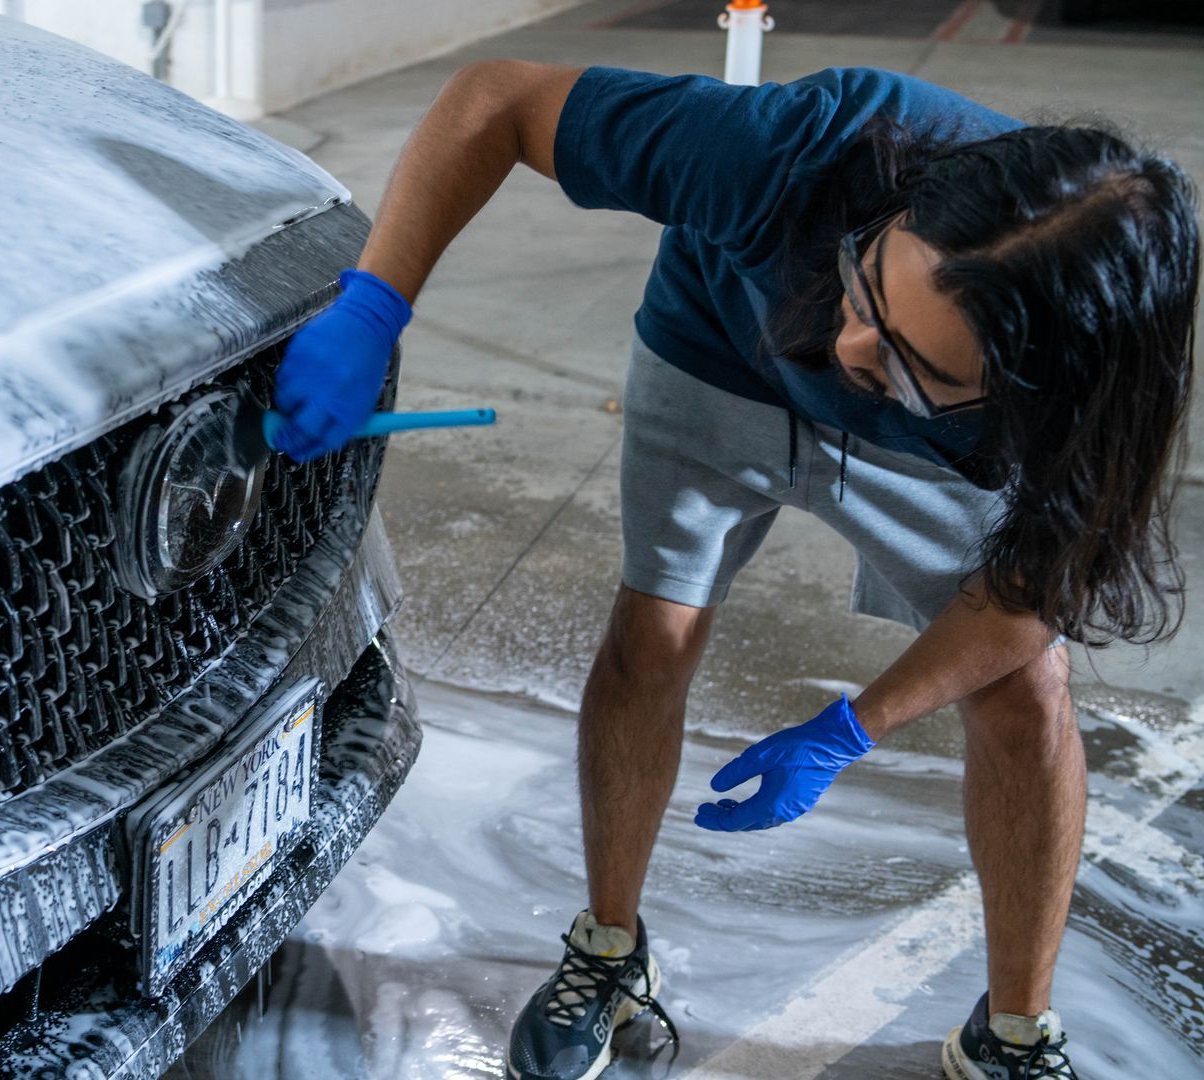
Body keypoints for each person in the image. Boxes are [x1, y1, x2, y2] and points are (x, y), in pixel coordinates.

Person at [269, 61, 1199, 1080]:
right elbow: (495, 101)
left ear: (1040, 389)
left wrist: (854, 727)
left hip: (935, 453)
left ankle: (1012, 1034)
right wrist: (373, 308)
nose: (850, 346)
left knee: (1025, 692)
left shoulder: (1093, 399)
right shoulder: (792, 151)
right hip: (720, 351)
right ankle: (609, 952)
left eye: (910, 362)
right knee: (652, 639)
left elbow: (1034, 592)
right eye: (867, 288)